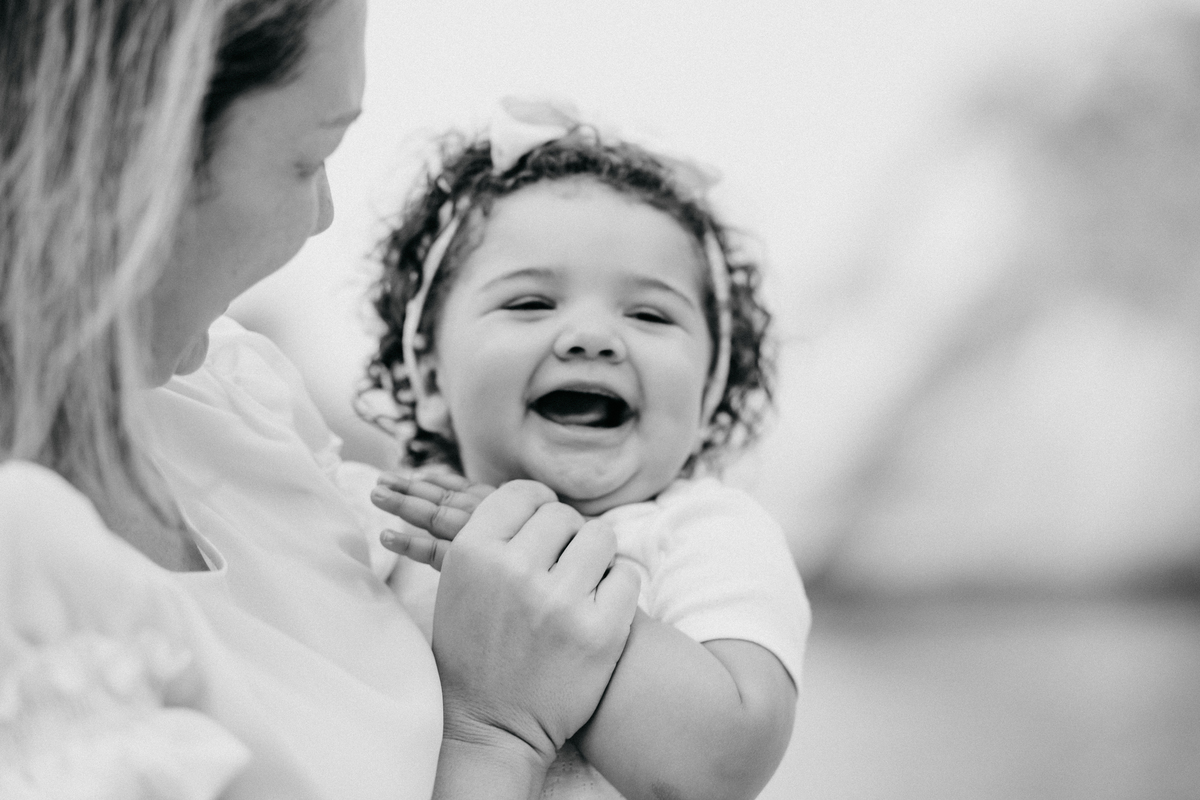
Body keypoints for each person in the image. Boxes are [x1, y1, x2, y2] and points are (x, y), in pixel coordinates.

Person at [0, 3, 640, 799]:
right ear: (116, 162)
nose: (324, 213)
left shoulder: (236, 399)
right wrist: (495, 735)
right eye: (309, 159)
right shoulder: (24, 592)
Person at [364, 99, 811, 800]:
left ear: (709, 390)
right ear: (429, 376)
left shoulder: (703, 535)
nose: (593, 336)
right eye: (530, 304)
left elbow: (724, 763)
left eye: (649, 314)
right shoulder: (389, 528)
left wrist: (544, 574)